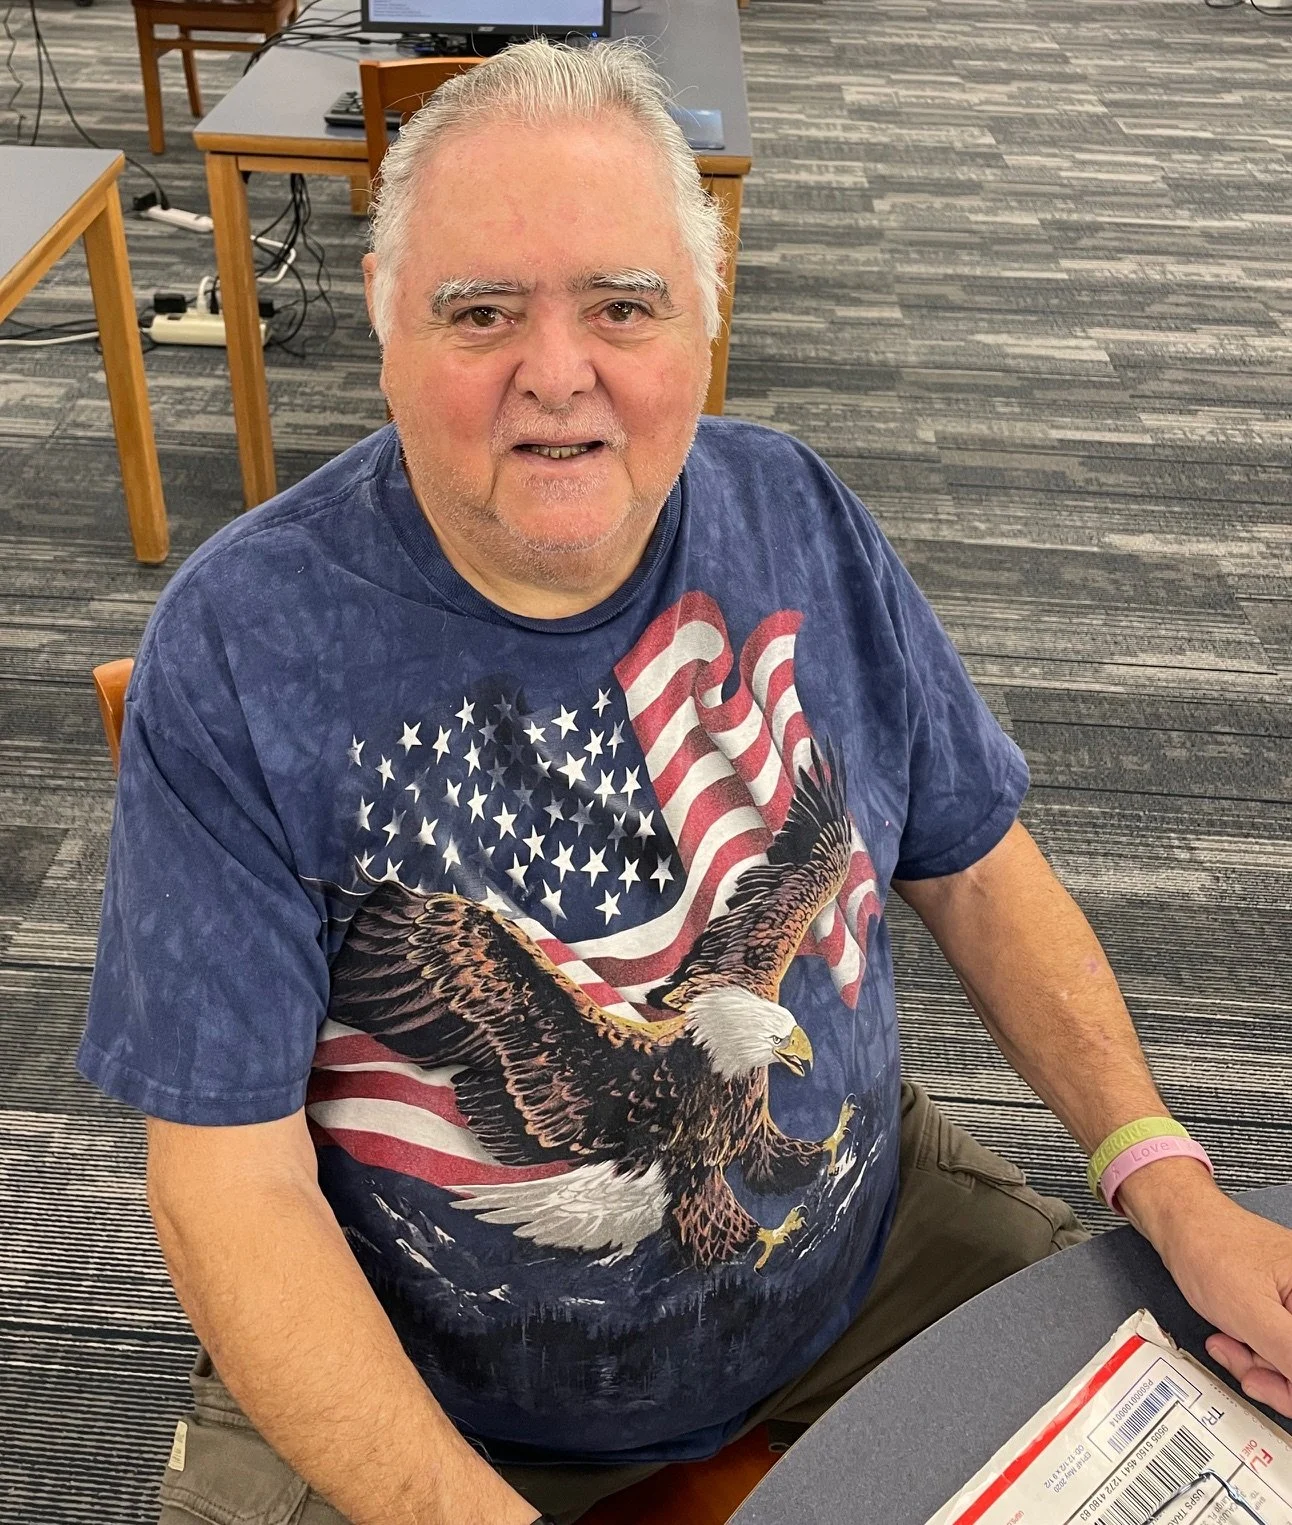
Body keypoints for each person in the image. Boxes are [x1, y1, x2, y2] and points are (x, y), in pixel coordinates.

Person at [78, 37, 1292, 1525]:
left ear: (703, 322)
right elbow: (230, 1187)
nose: (557, 373)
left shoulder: (797, 510)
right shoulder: (241, 648)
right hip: (441, 1377)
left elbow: (977, 872)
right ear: (386, 322)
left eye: (622, 305)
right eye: (480, 311)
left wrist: (1170, 1181)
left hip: (860, 1259)